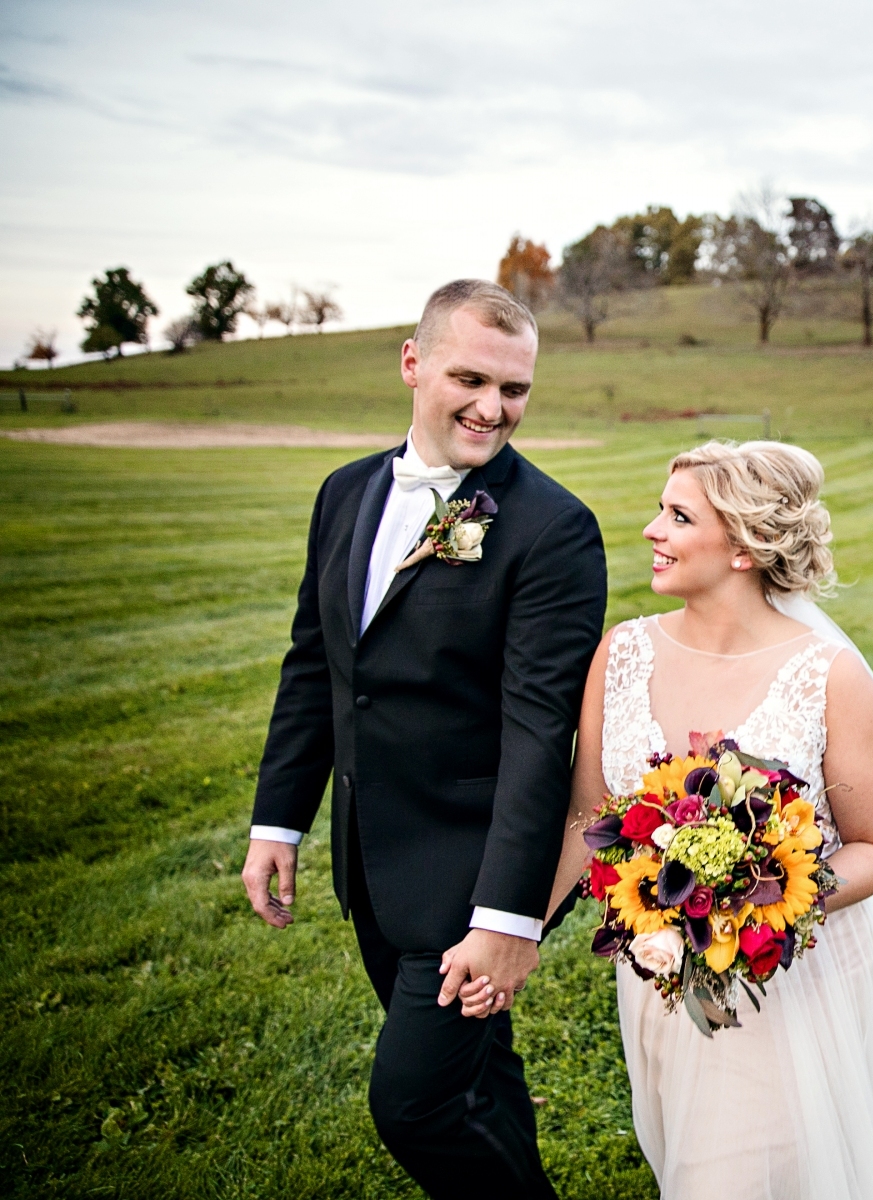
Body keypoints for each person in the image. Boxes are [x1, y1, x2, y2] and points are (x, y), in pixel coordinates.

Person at [482, 440, 873, 1198]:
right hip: (665, 980)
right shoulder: (620, 654)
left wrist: (750, 903)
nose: (651, 530)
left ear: (743, 547)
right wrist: (513, 933)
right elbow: (584, 818)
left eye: (678, 515)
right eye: (662, 510)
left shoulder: (828, 676)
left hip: (794, 984)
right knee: (687, 1152)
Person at [240, 279, 608, 1199]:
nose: (493, 408)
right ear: (413, 364)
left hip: (471, 877)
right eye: (471, 378)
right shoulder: (346, 492)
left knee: (414, 1106)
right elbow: (314, 666)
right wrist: (278, 821)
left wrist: (508, 919)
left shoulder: (551, 529)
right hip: (371, 860)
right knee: (473, 1080)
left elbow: (538, 736)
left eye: (515, 390)